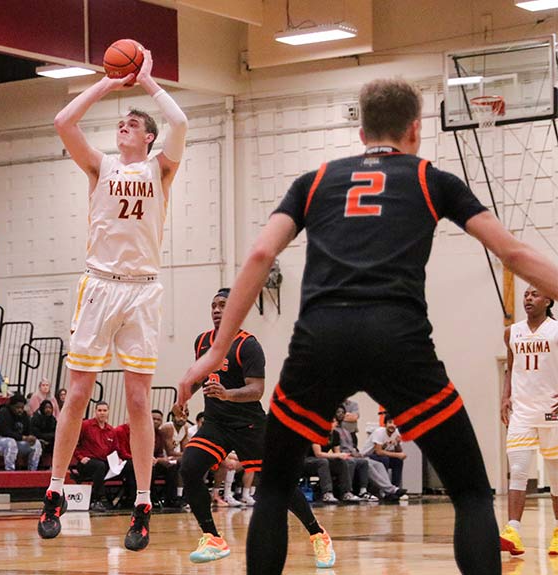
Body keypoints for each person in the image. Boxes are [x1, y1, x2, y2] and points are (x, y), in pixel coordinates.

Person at [176, 78, 558, 575]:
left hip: (320, 340)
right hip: (397, 340)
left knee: (272, 491)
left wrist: (216, 349)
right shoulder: (430, 179)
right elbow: (514, 253)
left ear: (361, 132)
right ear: (415, 130)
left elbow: (260, 254)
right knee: (469, 491)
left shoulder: (314, 181)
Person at [39, 45, 188, 552]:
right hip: (99, 284)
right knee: (78, 393)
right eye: (120, 123)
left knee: (140, 399)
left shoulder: (159, 170)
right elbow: (63, 120)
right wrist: (108, 80)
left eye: (132, 124)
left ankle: (143, 501)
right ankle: (55, 490)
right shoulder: (100, 166)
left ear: (148, 136)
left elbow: (180, 119)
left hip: (143, 290)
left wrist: (146, 81)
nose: (122, 127)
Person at [176, 288, 335, 567]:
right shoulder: (202, 341)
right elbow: (199, 377)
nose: (216, 310)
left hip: (249, 423)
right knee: (189, 467)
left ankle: (318, 534)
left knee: (278, 485)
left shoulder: (248, 345)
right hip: (215, 423)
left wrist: (227, 393)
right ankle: (212, 537)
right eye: (213, 305)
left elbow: (257, 389)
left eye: (223, 305)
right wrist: (184, 398)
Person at [499, 285, 558, 555]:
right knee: (518, 471)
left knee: (556, 478)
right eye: (525, 294)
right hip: (522, 411)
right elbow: (511, 367)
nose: (528, 298)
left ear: (548, 300)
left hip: (553, 412)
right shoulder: (512, 332)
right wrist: (505, 396)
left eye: (535, 294)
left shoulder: (556, 330)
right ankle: (513, 531)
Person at [70, 401, 134, 512]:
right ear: (95, 412)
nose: (102, 413)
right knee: (99, 466)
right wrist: (80, 457)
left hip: (105, 462)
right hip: (87, 462)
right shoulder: (85, 425)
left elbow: (115, 449)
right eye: (99, 410)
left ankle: (129, 498)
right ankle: (97, 500)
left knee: (129, 465)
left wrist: (118, 459)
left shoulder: (111, 430)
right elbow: (73, 442)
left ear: (108, 412)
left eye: (104, 410)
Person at [331, 406, 404, 501]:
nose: (340, 414)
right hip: (344, 456)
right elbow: (337, 449)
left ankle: (387, 491)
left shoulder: (346, 431)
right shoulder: (333, 431)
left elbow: (352, 447)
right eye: (338, 412)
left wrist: (355, 452)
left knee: (379, 464)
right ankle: (391, 489)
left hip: (355, 455)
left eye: (342, 412)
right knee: (367, 463)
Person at [0, 394, 42, 471]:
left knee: (36, 444)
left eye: (22, 407)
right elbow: (5, 432)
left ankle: (32, 471)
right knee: (10, 442)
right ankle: (9, 471)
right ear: (11, 406)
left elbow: (28, 431)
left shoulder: (24, 415)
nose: (20, 410)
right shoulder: (3, 412)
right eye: (17, 407)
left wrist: (31, 437)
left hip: (13, 441)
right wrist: (24, 438)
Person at [362, 417, 406, 488]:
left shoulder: (396, 432)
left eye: (394, 423)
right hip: (367, 456)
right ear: (385, 424)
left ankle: (395, 487)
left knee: (398, 461)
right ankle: (385, 488)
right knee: (384, 459)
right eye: (390, 422)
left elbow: (399, 451)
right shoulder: (379, 432)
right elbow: (378, 452)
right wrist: (397, 454)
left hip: (382, 455)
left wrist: (397, 443)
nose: (392, 425)